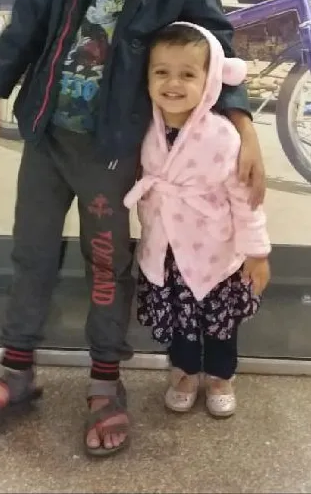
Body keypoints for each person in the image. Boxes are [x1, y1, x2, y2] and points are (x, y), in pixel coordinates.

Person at [0, 0, 265, 456]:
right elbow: (25, 28)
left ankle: (105, 382)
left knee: (107, 266)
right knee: (32, 254)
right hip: (46, 137)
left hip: (112, 150)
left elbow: (218, 52)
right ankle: (16, 368)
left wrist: (242, 123)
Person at [124, 22, 271, 418]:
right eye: (161, 72)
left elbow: (245, 199)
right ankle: (185, 372)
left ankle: (221, 377)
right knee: (178, 318)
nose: (173, 84)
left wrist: (257, 252)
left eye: (188, 74)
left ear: (209, 81)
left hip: (214, 249)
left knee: (219, 323)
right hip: (167, 249)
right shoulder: (144, 129)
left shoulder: (222, 136)